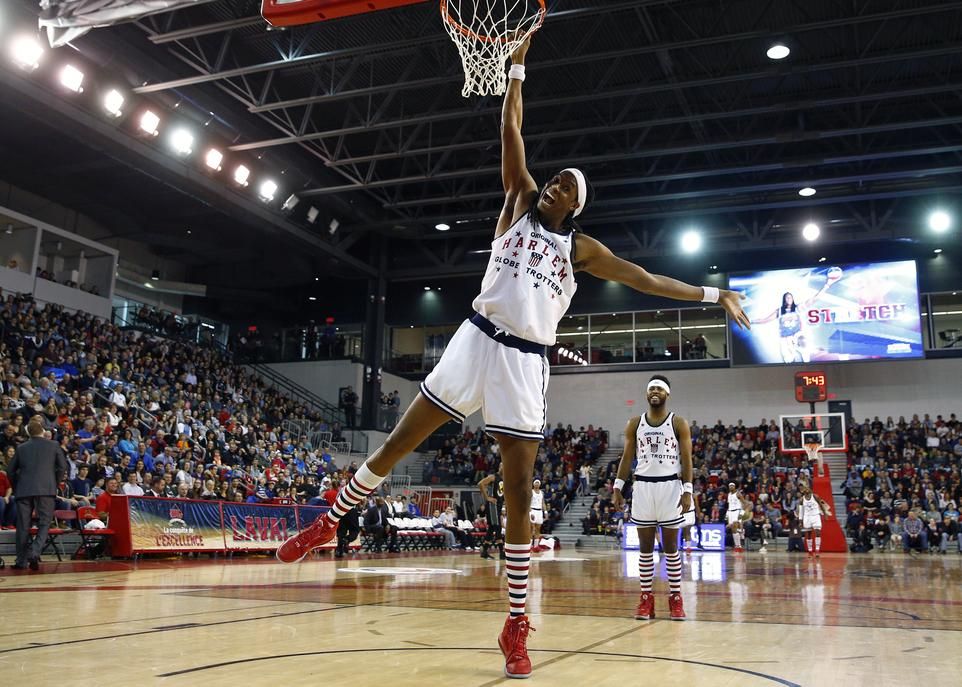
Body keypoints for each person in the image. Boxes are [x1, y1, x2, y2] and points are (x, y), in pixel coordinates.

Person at [275, 35, 750, 680]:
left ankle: (517, 623)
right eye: (552, 179)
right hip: (476, 336)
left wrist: (711, 292)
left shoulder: (581, 249)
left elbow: (644, 279)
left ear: (576, 205)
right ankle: (330, 521)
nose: (552, 184)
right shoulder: (517, 203)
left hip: (527, 360)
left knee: (520, 489)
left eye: (564, 186)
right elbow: (512, 130)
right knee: (399, 440)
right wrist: (517, 67)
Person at [612, 374, 693, 621]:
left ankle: (676, 598)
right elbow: (627, 457)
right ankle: (646, 598)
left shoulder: (678, 423)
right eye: (651, 389)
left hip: (670, 487)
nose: (654, 392)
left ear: (667, 393)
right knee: (645, 549)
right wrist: (618, 486)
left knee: (671, 548)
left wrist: (688, 489)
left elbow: (687, 459)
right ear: (646, 394)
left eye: (659, 388)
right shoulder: (635, 423)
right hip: (643, 488)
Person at [5, 419, 68, 571]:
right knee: (44, 522)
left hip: (24, 490)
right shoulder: (53, 445)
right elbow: (62, 467)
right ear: (42, 431)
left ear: (28, 433)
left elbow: (10, 471)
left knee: (22, 526)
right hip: (46, 489)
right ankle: (34, 551)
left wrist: (17, 485)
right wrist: (54, 482)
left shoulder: (21, 447)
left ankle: (21, 561)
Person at [753, 269, 841, 363]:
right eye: (787, 297)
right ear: (784, 299)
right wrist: (750, 321)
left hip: (798, 335)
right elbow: (764, 320)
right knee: (789, 361)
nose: (789, 298)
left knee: (803, 342)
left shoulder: (798, 308)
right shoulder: (779, 311)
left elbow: (815, 298)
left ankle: (806, 356)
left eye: (790, 297)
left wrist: (827, 285)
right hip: (785, 339)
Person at [798, 481, 832, 558]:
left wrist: (825, 514)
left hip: (816, 516)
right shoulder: (801, 500)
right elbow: (801, 511)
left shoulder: (815, 496)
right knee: (809, 534)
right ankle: (810, 551)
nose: (806, 490)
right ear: (803, 491)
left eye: (807, 489)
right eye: (805, 489)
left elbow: (821, 505)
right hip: (807, 517)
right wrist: (800, 521)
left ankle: (817, 550)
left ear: (809, 490)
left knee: (817, 532)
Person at [478, 466, 506, 560]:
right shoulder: (493, 477)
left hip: (498, 505)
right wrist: (487, 498)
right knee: (497, 527)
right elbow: (480, 484)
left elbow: (501, 493)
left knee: (491, 528)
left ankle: (484, 551)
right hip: (492, 506)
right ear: (499, 467)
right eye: (502, 465)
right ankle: (502, 552)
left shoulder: (504, 479)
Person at [726, 483, 748, 552]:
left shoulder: (738, 494)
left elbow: (745, 503)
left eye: (732, 486)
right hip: (730, 511)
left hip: (737, 511)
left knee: (735, 526)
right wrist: (727, 515)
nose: (731, 487)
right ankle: (737, 545)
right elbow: (729, 505)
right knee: (733, 529)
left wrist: (741, 513)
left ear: (735, 487)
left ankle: (739, 546)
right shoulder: (729, 495)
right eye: (730, 486)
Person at [529, 479, 545, 552]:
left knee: (538, 529)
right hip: (533, 510)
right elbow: (528, 502)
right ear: (533, 484)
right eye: (536, 483)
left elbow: (543, 502)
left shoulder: (541, 492)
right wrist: (530, 511)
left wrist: (545, 511)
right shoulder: (531, 492)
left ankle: (536, 546)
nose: (537, 484)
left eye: (538, 483)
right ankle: (529, 546)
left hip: (539, 511)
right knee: (532, 528)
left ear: (540, 484)